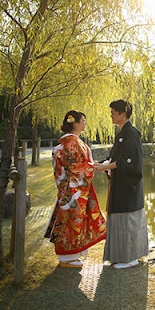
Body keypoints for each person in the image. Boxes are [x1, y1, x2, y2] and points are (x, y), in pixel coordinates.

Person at [44, 110, 106, 268]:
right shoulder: (72, 143)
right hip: (73, 189)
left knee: (71, 219)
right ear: (75, 123)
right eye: (83, 120)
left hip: (72, 188)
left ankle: (70, 255)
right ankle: (67, 256)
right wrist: (94, 167)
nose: (85, 123)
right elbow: (74, 166)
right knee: (71, 220)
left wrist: (93, 165)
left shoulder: (71, 142)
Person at [94, 99, 148, 269]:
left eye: (113, 113)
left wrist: (106, 166)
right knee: (119, 222)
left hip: (128, 187)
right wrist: (101, 164)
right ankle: (120, 257)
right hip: (120, 186)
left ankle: (129, 258)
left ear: (123, 114)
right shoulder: (122, 133)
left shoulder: (131, 133)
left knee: (127, 222)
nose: (111, 115)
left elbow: (127, 162)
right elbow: (116, 159)